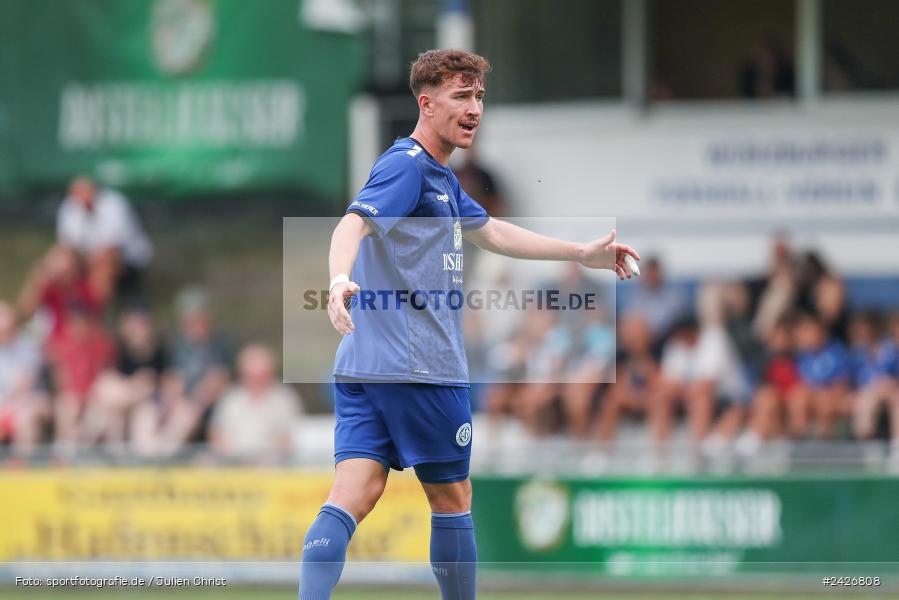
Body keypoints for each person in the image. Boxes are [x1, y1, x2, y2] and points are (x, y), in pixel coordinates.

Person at [301, 49, 640, 600]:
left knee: (352, 495)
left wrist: (582, 252)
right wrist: (338, 281)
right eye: (462, 96)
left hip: (364, 367)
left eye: (479, 96)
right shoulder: (407, 166)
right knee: (454, 498)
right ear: (426, 102)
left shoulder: (438, 177)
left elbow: (494, 231)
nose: (475, 108)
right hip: (420, 368)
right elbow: (351, 225)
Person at [56, 176, 152, 301]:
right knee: (55, 266)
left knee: (103, 269)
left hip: (127, 260)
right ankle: (42, 313)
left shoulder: (114, 204)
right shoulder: (69, 207)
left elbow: (112, 249)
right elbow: (67, 247)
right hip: (90, 260)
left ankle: (93, 314)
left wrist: (88, 263)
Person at [209, 344, 303, 462]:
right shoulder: (230, 398)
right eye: (251, 376)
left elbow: (291, 437)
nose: (257, 381)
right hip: (233, 465)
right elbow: (216, 434)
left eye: (261, 375)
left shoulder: (284, 398)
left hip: (272, 467)